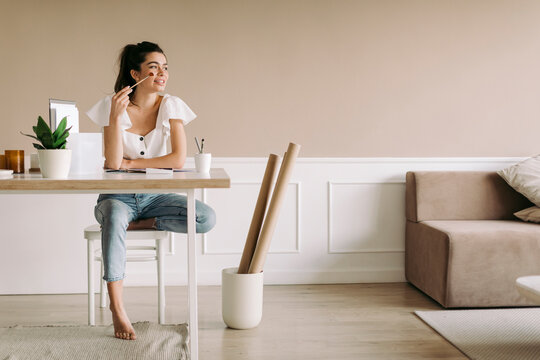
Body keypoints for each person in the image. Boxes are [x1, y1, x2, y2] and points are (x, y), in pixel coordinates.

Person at [87, 41, 216, 340]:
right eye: (153, 68)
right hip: (115, 198)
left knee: (205, 218)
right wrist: (115, 118)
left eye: (165, 67)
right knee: (116, 217)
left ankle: (139, 223)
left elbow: (177, 158)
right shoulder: (112, 106)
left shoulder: (171, 105)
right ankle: (117, 309)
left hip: (155, 197)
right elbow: (113, 162)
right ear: (135, 74)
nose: (162, 74)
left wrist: (131, 165)